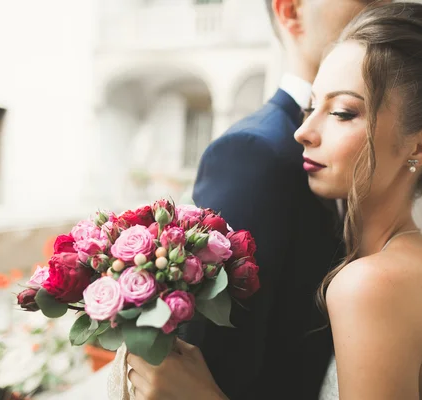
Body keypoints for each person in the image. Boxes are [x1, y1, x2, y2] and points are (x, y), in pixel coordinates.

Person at [124, 2, 422, 399]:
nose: (303, 132)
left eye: (341, 113)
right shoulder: (412, 262)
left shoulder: (372, 285)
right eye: (310, 106)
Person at [137, 1, 381, 400]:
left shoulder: (372, 156)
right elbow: (212, 362)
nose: (386, 7)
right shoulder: (253, 151)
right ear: (291, 10)